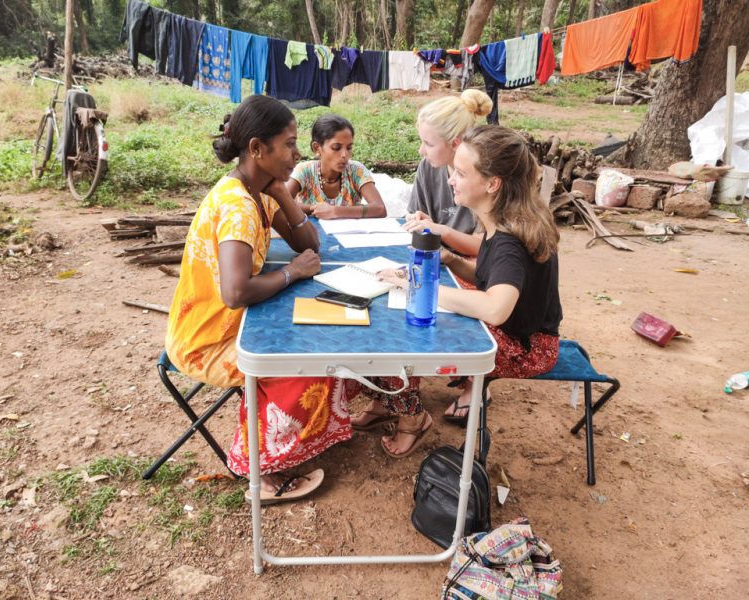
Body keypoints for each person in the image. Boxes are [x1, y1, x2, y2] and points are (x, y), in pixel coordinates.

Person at [165, 96, 354, 504]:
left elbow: (310, 243)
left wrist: (281, 194)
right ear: (256, 148)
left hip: (230, 321)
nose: (297, 153)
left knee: (326, 343)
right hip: (208, 339)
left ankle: (283, 443)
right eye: (288, 144)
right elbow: (235, 293)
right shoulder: (237, 206)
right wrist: (292, 273)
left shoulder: (257, 191)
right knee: (310, 363)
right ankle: (263, 472)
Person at [351, 125, 562, 455]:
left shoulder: (508, 241)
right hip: (524, 333)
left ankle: (410, 418)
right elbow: (488, 275)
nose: (451, 179)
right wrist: (449, 259)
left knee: (406, 336)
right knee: (410, 316)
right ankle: (388, 400)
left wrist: (417, 286)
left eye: (461, 173)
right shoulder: (508, 218)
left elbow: (496, 308)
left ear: (493, 184)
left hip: (527, 348)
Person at [403, 89, 493, 258]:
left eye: (428, 144)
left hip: (473, 265)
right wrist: (421, 221)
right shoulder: (428, 167)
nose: (421, 150)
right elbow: (419, 215)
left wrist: (441, 231)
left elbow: (486, 246)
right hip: (441, 256)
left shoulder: (483, 176)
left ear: (455, 144)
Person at [286, 114, 387, 219]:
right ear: (317, 148)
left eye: (349, 148)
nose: (344, 155)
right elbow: (281, 204)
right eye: (336, 148)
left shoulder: (356, 171)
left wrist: (335, 211)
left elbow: (380, 208)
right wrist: (315, 208)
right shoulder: (305, 171)